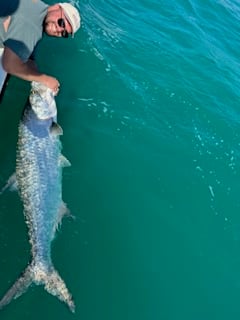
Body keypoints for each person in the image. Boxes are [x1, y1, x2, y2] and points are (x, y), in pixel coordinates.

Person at [0, 1, 81, 95]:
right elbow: (10, 65)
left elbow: (30, 57)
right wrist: (45, 79)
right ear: (56, 7)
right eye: (61, 23)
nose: (59, 30)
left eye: (64, 33)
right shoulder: (33, 27)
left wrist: (33, 68)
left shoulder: (37, 5)